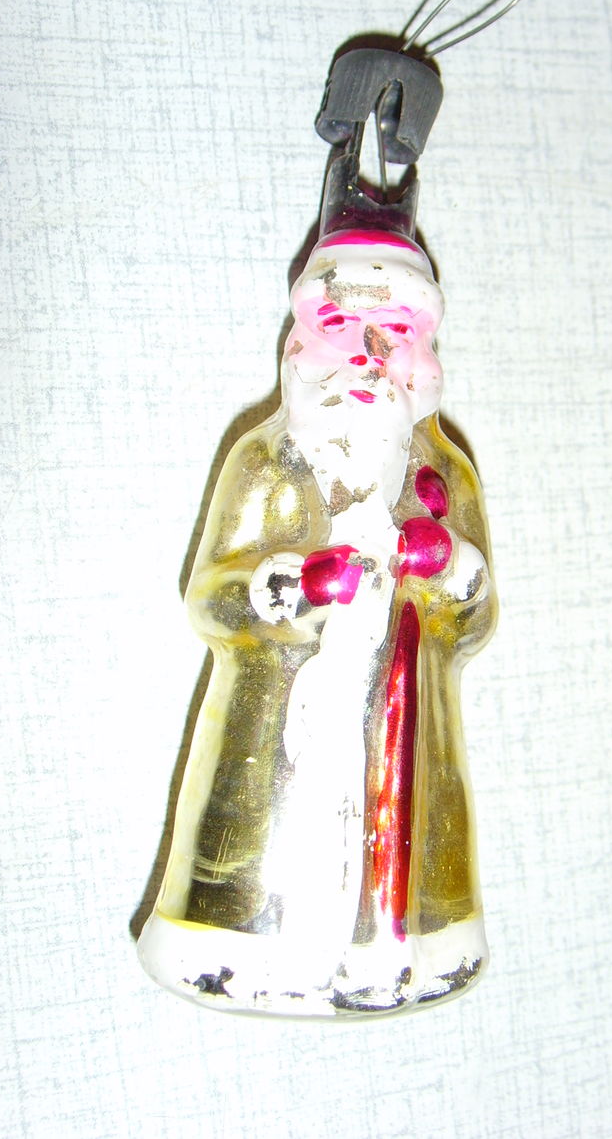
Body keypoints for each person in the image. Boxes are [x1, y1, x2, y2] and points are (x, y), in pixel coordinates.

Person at [138, 229, 496, 1015]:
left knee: (401, 832)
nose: (369, 355)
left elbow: (474, 622)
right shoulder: (267, 462)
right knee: (281, 830)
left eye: (395, 333)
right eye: (343, 328)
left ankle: (406, 947)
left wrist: (449, 568)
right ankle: (250, 948)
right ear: (301, 341)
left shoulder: (444, 475)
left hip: (405, 725)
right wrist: (293, 587)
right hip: (280, 730)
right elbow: (210, 595)